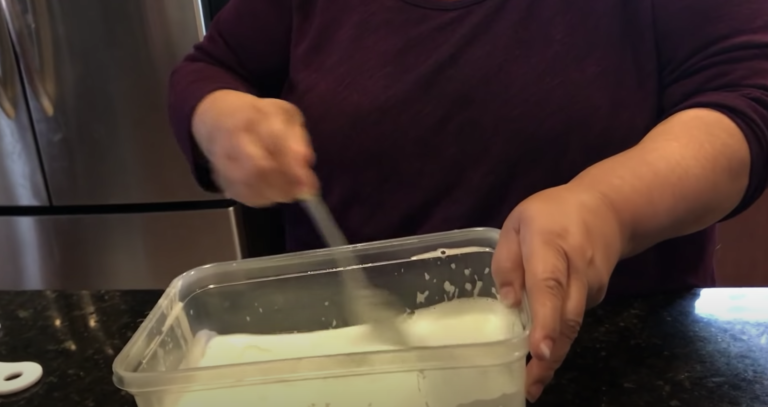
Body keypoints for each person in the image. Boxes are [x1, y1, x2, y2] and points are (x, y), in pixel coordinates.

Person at [168, 0, 768, 402]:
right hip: (343, 359)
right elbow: (215, 68)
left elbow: (746, 100)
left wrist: (606, 208)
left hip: (618, 359)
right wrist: (221, 119)